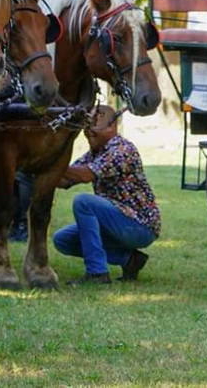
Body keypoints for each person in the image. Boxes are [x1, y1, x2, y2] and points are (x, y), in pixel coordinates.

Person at [52, 105, 160, 285]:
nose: (88, 131)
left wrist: (51, 164)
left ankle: (97, 273)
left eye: (94, 125)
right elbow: (65, 180)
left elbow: (85, 175)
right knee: (63, 240)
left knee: (84, 202)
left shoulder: (122, 150)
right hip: (116, 222)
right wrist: (36, 173)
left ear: (112, 126)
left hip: (140, 226)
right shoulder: (95, 152)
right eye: (86, 126)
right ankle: (129, 259)